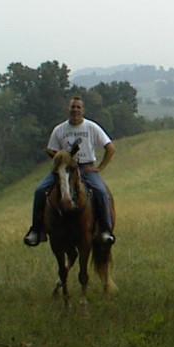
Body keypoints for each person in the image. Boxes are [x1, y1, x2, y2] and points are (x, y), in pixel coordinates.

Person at [23, 96, 116, 246]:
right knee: (39, 191)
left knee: (101, 192)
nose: (75, 110)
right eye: (73, 107)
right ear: (68, 109)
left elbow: (110, 148)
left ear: (83, 110)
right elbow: (52, 151)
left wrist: (99, 167)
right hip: (63, 169)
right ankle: (37, 230)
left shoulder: (92, 127)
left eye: (78, 107)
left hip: (86, 168)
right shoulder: (59, 130)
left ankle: (105, 230)